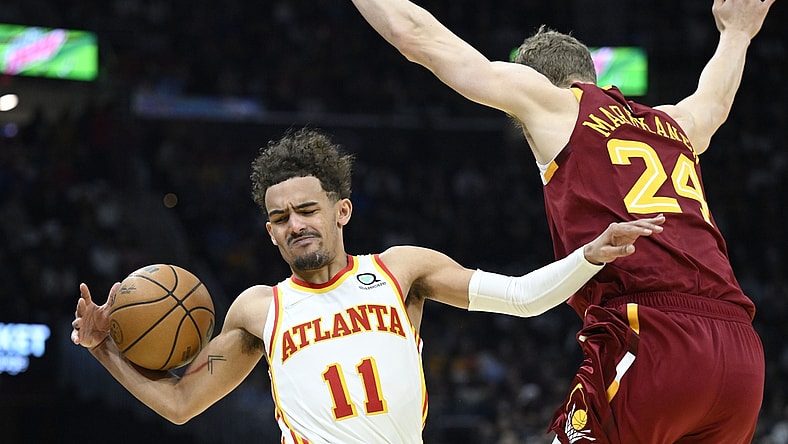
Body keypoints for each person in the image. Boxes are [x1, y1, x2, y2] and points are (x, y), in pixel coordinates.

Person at [349, 0, 772, 442]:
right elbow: (714, 104)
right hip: (739, 351)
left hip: (654, 333)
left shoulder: (558, 105)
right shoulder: (672, 124)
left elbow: (418, 37)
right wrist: (736, 33)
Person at [72, 127, 664, 444]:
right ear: (270, 234)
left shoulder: (402, 270)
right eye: (280, 219)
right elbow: (180, 405)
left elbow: (521, 297)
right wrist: (104, 349)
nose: (295, 224)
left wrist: (588, 255)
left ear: (341, 212)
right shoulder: (258, 308)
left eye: (307, 209)